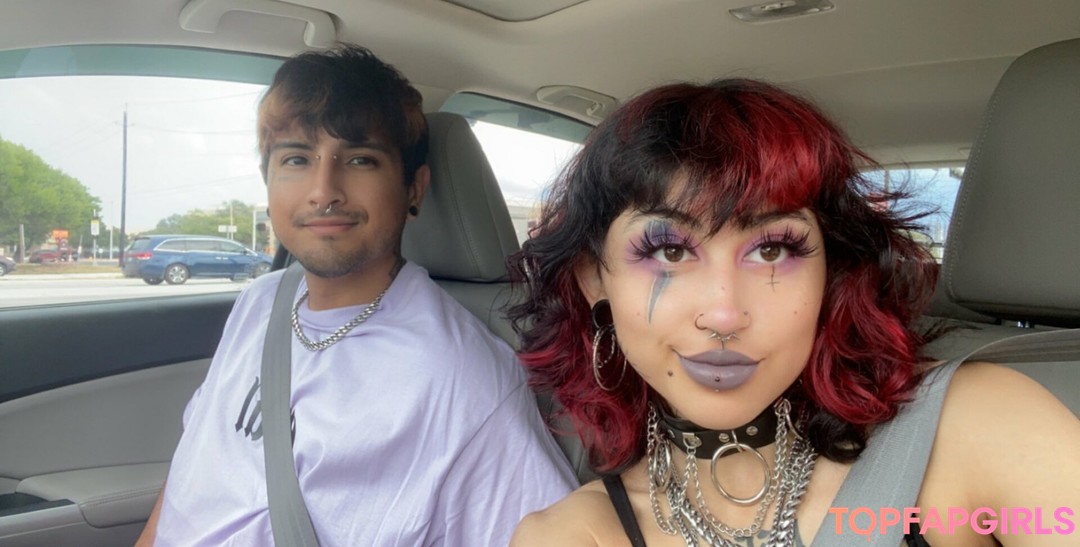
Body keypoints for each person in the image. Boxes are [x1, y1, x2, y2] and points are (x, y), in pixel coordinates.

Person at [508, 79, 1080, 546]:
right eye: (670, 251)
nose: (725, 315)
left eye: (772, 249)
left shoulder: (980, 424)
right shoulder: (570, 535)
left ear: (831, 269)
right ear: (594, 279)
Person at [135, 44, 576, 546]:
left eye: (361, 159)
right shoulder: (260, 302)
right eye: (296, 159)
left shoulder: (463, 379)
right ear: (268, 182)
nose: (324, 190)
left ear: (414, 189)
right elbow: (196, 464)